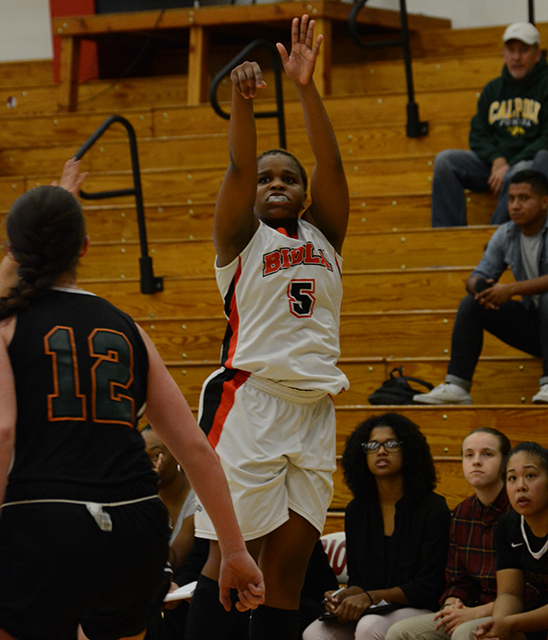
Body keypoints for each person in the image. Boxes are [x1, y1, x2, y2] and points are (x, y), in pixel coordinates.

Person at [0, 160, 265, 640]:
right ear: (84, 248)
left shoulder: (8, 328)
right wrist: (233, 550)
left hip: (46, 523)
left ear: (12, 250)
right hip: (136, 529)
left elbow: (2, 432)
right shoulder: (128, 329)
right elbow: (198, 451)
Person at [184, 14, 350, 640]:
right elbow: (236, 168)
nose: (277, 182)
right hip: (249, 402)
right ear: (251, 195)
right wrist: (242, 102)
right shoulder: (239, 237)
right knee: (230, 562)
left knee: (287, 571)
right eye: (267, 178)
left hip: (314, 410)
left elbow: (331, 161)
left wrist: (306, 88)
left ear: (304, 194)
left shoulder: (324, 234)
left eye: (289, 177)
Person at [302, 413, 450, 640]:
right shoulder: (356, 511)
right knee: (316, 632)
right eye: (372, 445)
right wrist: (343, 596)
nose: (381, 451)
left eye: (391, 444)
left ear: (408, 452)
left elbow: (427, 586)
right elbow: (359, 580)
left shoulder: (433, 508)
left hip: (421, 607)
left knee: (369, 627)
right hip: (376, 607)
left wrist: (370, 597)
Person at [415, 169, 548, 405]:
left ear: (545, 201)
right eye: (511, 198)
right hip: (537, 328)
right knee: (472, 305)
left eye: (524, 198)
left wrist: (510, 290)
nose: (515, 205)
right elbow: (476, 277)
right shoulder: (506, 234)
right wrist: (482, 289)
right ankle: (457, 386)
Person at [385, 427, 512, 640]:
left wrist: (473, 613)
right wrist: (452, 604)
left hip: (511, 612)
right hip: (471, 609)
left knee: (463, 633)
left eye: (487, 454)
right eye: (469, 455)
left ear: (506, 462)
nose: (476, 461)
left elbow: (527, 592)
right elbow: (457, 579)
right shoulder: (462, 512)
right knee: (400, 632)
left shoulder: (519, 509)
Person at [431, 22, 548, 227]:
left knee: (519, 173)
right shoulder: (492, 90)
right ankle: (447, 237)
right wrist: (497, 160)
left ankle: (495, 237)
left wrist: (510, 164)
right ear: (503, 54)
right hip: (495, 167)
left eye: (523, 50)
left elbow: (546, 138)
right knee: (445, 161)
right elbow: (478, 133)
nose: (516, 57)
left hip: (528, 164)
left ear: (537, 55)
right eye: (510, 51)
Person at [474, 441, 548, 640]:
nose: (520, 486)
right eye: (512, 478)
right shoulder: (508, 525)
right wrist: (498, 624)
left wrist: (510, 623)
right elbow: (510, 594)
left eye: (530, 476)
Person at [142, 424, 197, 573]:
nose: (147, 466)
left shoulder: (196, 499)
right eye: (141, 457)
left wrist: (147, 501)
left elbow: (172, 563)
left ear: (178, 455)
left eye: (155, 456)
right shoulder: (136, 495)